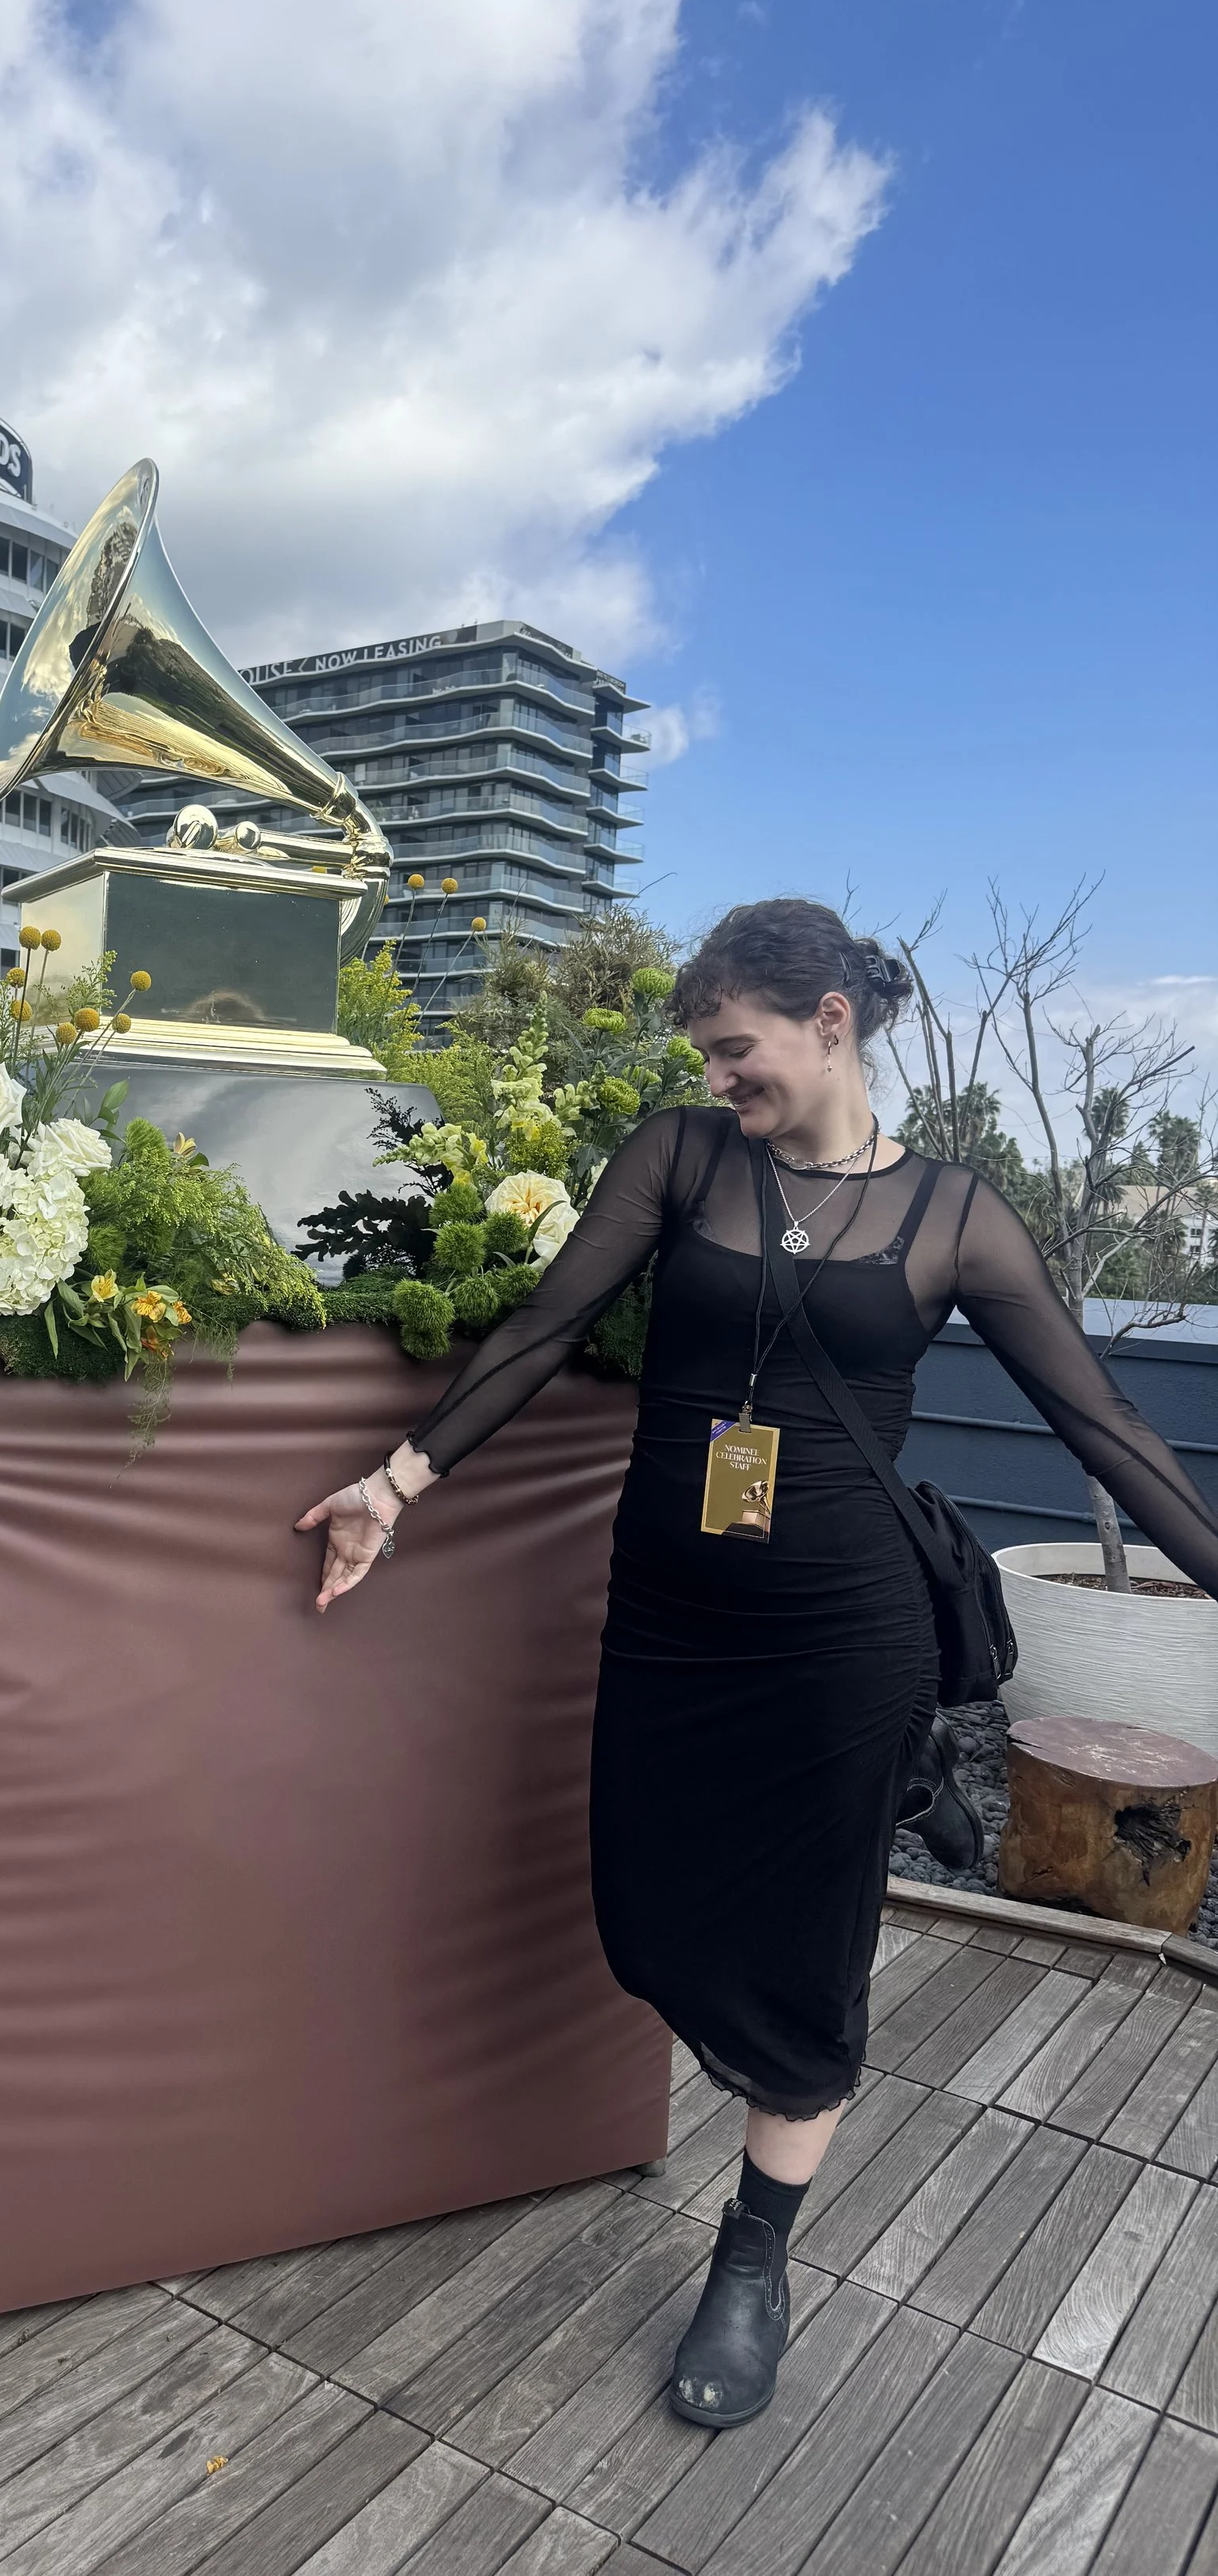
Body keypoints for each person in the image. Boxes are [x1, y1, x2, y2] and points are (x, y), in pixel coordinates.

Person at [297, 897, 1218, 2429]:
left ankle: (752, 2251)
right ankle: (894, 1815)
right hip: (670, 1614)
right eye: (706, 1055)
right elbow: (545, 1325)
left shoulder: (954, 1215)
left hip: (838, 1633)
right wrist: (393, 1484)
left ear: (827, 1021)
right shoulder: (679, 1156)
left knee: (798, 1960)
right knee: (646, 1910)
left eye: (735, 1048)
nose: (721, 1075)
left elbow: (1104, 1426)